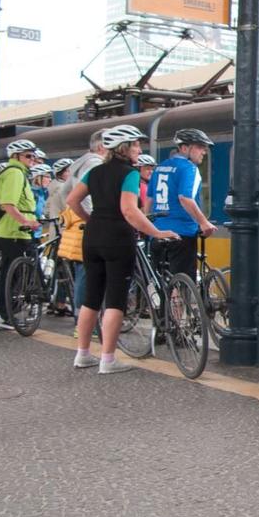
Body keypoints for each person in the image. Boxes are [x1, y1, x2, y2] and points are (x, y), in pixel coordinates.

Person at [66, 125, 179, 374]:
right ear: (124, 148)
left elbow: (72, 199)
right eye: (136, 145)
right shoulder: (129, 174)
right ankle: (108, 359)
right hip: (118, 238)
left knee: (91, 298)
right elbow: (129, 210)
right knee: (115, 299)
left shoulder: (95, 172)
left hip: (93, 237)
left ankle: (82, 354)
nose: (140, 149)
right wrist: (157, 232)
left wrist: (91, 219)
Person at [148, 129, 217, 280]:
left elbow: (150, 199)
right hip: (182, 233)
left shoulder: (160, 167)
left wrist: (148, 227)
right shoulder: (189, 168)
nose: (204, 151)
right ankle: (178, 303)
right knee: (182, 283)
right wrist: (204, 222)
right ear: (184, 148)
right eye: (199, 147)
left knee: (160, 281)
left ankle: (160, 303)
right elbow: (185, 198)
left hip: (157, 233)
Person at [61, 129, 108, 329]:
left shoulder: (78, 164)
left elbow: (66, 194)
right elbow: (86, 197)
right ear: (101, 147)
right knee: (88, 274)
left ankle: (83, 320)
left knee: (85, 272)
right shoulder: (94, 163)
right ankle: (85, 324)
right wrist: (91, 217)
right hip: (88, 224)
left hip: (79, 225)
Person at [0, 139, 42, 330]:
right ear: (16, 157)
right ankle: (6, 315)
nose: (32, 159)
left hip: (11, 229)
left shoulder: (17, 172)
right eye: (28, 156)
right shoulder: (15, 173)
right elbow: (8, 204)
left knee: (10, 272)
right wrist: (27, 221)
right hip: (14, 230)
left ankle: (5, 314)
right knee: (14, 274)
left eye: (33, 156)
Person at [45, 158, 74, 223]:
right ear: (60, 174)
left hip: (57, 225)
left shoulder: (55, 188)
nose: (72, 173)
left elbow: (46, 211)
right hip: (65, 227)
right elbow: (71, 209)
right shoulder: (63, 189)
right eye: (68, 171)